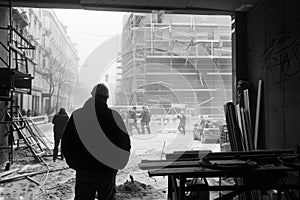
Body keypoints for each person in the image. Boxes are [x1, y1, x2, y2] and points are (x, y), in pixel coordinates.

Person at [62, 83, 131, 200]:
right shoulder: (114, 116)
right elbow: (124, 143)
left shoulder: (78, 115)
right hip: (106, 170)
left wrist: (76, 165)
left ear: (92, 95)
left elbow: (67, 144)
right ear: (106, 98)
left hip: (84, 170)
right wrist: (116, 165)